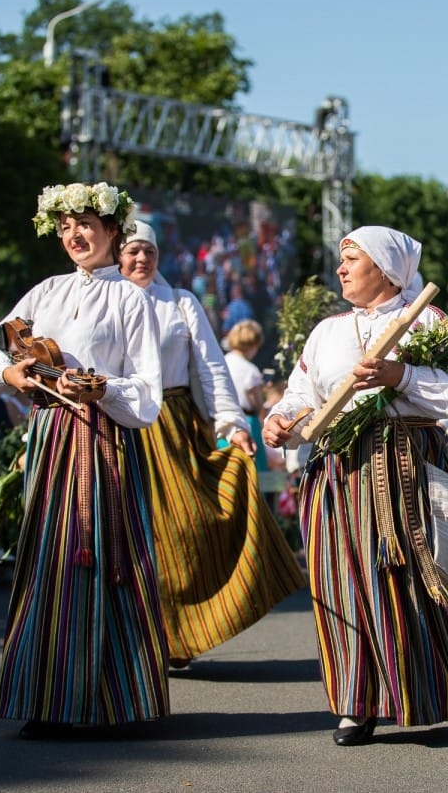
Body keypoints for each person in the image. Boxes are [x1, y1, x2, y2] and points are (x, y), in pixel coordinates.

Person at [263, 226, 448, 746]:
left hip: (404, 464)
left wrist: (399, 375)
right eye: (340, 259)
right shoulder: (327, 331)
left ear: (384, 267)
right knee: (340, 581)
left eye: (351, 259)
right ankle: (355, 702)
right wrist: (280, 419)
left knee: (404, 576)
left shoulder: (425, 319)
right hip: (336, 468)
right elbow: (300, 391)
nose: (341, 268)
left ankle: (414, 691)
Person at [0, 181, 166, 738]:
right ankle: (48, 697)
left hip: (106, 441)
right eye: (64, 227)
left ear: (112, 230)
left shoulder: (131, 298)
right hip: (50, 436)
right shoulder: (46, 292)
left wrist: (101, 389)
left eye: (85, 224)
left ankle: (118, 701)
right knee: (48, 560)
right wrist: (13, 374)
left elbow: (147, 390)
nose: (74, 235)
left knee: (110, 560)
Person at [118, 222, 305, 669]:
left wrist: (233, 424)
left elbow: (210, 368)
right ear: (116, 256)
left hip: (174, 425)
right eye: (132, 252)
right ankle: (131, 636)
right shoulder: (101, 302)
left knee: (180, 532)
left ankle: (177, 634)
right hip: (117, 421)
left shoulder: (181, 303)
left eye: (148, 251)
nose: (141, 259)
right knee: (123, 535)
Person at [224, 319, 269, 471]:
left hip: (224, 421)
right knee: (253, 468)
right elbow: (256, 404)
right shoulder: (250, 370)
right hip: (246, 421)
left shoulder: (223, 362)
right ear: (253, 344)